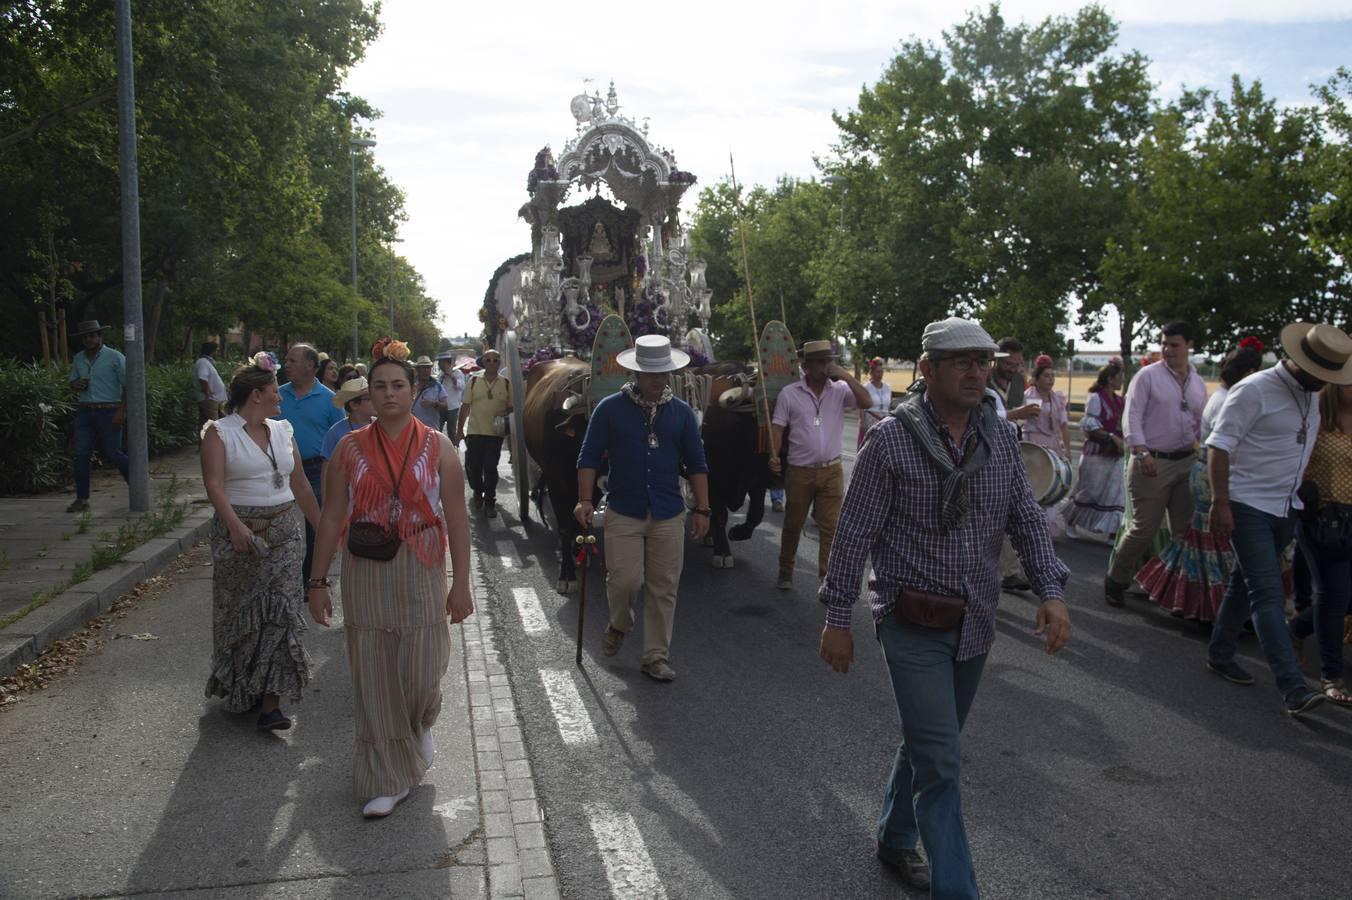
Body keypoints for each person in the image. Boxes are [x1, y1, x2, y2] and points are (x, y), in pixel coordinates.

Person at [819, 316, 1071, 897]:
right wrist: (837, 619)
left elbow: (1025, 518)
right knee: (942, 764)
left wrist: (1052, 593)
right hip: (910, 621)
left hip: (976, 621)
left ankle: (894, 835)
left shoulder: (1000, 437)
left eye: (983, 361)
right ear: (926, 370)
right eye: (961, 362)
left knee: (930, 741)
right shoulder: (891, 440)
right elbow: (852, 536)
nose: (976, 372)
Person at [307, 347, 473, 818]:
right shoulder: (348, 448)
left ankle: (420, 724)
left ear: (413, 390)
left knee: (423, 668)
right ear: (368, 396)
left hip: (421, 562)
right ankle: (387, 775)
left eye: (397, 385)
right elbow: (334, 514)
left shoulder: (438, 446)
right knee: (374, 670)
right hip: (365, 564)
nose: (388, 393)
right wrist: (318, 581)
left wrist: (460, 585)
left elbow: (457, 521)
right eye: (379, 387)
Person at [1205, 322, 1352, 717]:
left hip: (1286, 509)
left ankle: (1219, 653)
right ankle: (1292, 687)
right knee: (1268, 594)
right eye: (1322, 375)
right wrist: (1220, 503)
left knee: (1243, 584)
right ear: (1301, 364)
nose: (1326, 383)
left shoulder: (1310, 393)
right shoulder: (1253, 390)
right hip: (1246, 504)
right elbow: (1218, 447)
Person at [574, 336, 710, 682]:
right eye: (650, 373)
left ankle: (655, 656)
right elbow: (588, 458)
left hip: (668, 511)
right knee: (625, 580)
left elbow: (697, 463)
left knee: (664, 585)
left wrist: (703, 509)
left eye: (663, 372)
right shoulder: (609, 409)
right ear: (635, 373)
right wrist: (586, 500)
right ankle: (620, 622)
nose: (658, 379)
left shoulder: (680, 413)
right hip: (623, 509)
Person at [200, 353, 321, 731]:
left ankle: (271, 702)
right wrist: (235, 527)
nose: (280, 398)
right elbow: (214, 485)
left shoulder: (283, 430)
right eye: (274, 392)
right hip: (239, 534)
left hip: (284, 533)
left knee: (282, 611)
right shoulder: (219, 433)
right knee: (241, 613)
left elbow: (298, 482)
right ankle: (243, 684)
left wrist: (323, 526)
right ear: (255, 395)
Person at [1136, 341, 1263, 620]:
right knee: (1212, 545)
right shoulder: (1231, 399)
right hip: (1212, 475)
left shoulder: (1223, 394)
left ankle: (1194, 600)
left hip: (1203, 470)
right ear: (1251, 371)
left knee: (1201, 542)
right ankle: (1210, 606)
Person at [1104, 322, 1208, 607]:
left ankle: (1175, 591)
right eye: (1164, 343)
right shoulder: (1147, 376)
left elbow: (1200, 423)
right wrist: (1141, 452)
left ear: (1189, 345)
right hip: (1151, 462)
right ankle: (1116, 579)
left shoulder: (1198, 382)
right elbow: (1132, 416)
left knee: (1183, 532)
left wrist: (1205, 455)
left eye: (1174, 344)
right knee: (1143, 528)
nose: (1167, 349)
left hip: (1186, 462)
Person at [768, 340, 871, 590]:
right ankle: (786, 569)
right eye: (821, 362)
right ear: (806, 365)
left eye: (829, 361)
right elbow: (778, 426)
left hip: (831, 470)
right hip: (799, 471)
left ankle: (826, 577)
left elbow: (866, 402)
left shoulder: (840, 390)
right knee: (793, 524)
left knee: (831, 527)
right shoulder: (789, 393)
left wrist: (846, 375)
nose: (827, 366)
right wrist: (774, 455)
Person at [1291, 380, 1352, 706]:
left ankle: (1297, 628)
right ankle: (1331, 674)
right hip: (1324, 521)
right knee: (1335, 595)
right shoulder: (1314, 416)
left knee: (1343, 597)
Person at [278, 343, 344, 582]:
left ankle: (311, 579)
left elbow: (340, 438)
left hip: (316, 470)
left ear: (310, 365)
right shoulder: (277, 395)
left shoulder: (330, 400)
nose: (286, 364)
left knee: (317, 525)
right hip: (280, 471)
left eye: (292, 360)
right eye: (286, 360)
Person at [66, 319, 129, 513]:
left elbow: (128, 385)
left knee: (113, 452)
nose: (89, 340)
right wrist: (76, 385)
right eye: (85, 337)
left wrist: (121, 410)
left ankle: (138, 486)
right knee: (81, 453)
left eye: (92, 336)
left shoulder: (115, 357)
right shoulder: (78, 359)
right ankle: (82, 499)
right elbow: (72, 382)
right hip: (85, 410)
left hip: (109, 409)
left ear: (100, 336)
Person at [1064, 361, 1126, 537]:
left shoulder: (1120, 401)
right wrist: (1111, 437)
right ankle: (1071, 520)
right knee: (1090, 490)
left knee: (1116, 492)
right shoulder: (1095, 398)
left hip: (1115, 454)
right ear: (1109, 379)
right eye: (1119, 376)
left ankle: (1112, 532)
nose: (1122, 380)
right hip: (1097, 453)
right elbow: (1090, 427)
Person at [456, 348, 512, 518]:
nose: (492, 363)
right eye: (488, 360)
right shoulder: (473, 381)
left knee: (490, 468)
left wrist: (505, 414)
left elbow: (511, 407)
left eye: (496, 360)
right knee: (474, 467)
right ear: (483, 362)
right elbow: (465, 407)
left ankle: (490, 502)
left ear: (499, 363)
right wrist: (459, 431)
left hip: (495, 434)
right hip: (475, 431)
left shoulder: (506, 383)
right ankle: (477, 492)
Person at [320, 376, 373, 484]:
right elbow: (327, 469)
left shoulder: (381, 425)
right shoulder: (335, 432)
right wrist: (326, 498)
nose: (375, 401)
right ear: (354, 405)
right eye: (369, 399)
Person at [1021, 355, 1071, 461]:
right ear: (1037, 379)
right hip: (1032, 442)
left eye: (1052, 376)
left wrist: (1067, 449)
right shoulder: (1027, 396)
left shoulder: (1058, 399)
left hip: (1052, 443)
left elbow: (1064, 425)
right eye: (1046, 376)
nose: (1051, 379)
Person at [859, 357, 893, 449]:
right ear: (872, 372)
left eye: (881, 372)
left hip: (885, 421)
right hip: (871, 420)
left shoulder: (888, 387)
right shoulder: (866, 387)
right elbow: (861, 406)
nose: (880, 374)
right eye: (878, 372)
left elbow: (890, 406)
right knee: (871, 448)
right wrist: (862, 422)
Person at [194, 341, 228, 432]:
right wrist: (208, 393)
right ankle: (214, 445)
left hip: (214, 399)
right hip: (210, 400)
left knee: (206, 425)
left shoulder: (206, 362)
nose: (217, 353)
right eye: (216, 350)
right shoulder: (203, 362)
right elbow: (202, 378)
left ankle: (204, 445)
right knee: (214, 427)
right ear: (212, 351)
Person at [411, 356, 450, 431]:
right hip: (413, 429)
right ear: (418, 369)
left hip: (431, 430)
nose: (426, 370)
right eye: (423, 368)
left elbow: (445, 406)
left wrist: (433, 404)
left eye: (428, 368)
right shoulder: (410, 385)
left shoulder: (437, 385)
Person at [437, 350, 465, 442]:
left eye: (441, 362)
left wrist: (452, 376)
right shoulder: (440, 375)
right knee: (438, 430)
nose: (440, 365)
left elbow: (461, 386)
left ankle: (453, 450)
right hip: (441, 407)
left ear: (447, 362)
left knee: (451, 431)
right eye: (439, 362)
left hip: (452, 407)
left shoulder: (457, 373)